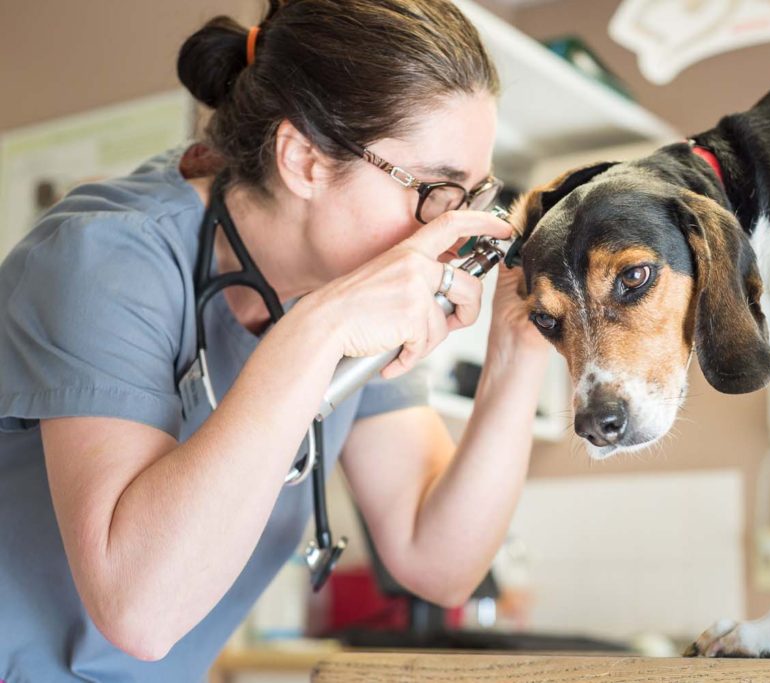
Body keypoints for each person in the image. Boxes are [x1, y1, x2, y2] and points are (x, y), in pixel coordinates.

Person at [0, 1, 549, 680]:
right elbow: (138, 610)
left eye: (472, 193)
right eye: (436, 189)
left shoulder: (357, 286)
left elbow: (438, 563)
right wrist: (318, 328)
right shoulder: (107, 257)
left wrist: (518, 349)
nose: (453, 226)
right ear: (304, 160)